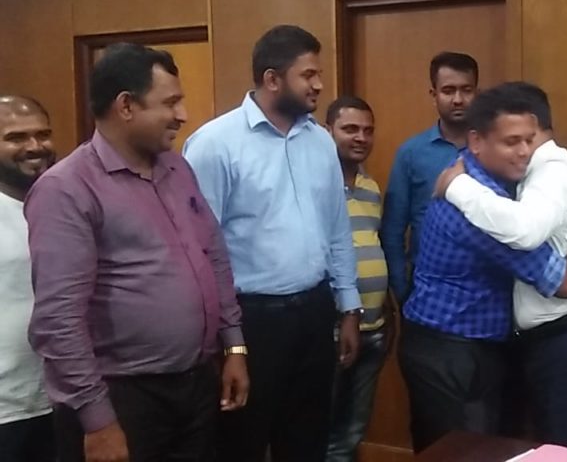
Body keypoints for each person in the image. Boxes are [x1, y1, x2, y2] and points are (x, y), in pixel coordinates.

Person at [27, 44, 248, 462]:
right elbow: (58, 320)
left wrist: (234, 346)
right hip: (121, 398)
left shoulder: (176, 168)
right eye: (170, 102)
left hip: (196, 385)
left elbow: (214, 255)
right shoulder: (67, 189)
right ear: (126, 106)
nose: (182, 114)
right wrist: (97, 420)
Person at [399, 85, 567, 452]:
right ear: (476, 141)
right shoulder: (474, 208)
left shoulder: (485, 185)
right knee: (457, 454)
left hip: (487, 346)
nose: (524, 152)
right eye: (511, 142)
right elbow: (559, 278)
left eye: (528, 140)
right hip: (450, 352)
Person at [184, 25, 360, 461]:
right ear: (272, 79)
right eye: (308, 75)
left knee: (307, 441)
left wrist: (348, 307)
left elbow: (337, 228)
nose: (318, 85)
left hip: (314, 311)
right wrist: (229, 341)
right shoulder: (214, 144)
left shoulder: (320, 141)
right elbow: (199, 249)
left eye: (318, 74)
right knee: (241, 442)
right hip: (252, 319)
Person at [380, 51, 479, 301]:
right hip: (426, 288)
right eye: (448, 91)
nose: (458, 99)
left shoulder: (495, 149)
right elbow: (393, 229)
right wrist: (401, 289)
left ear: (477, 93)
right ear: (433, 95)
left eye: (466, 90)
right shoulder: (411, 153)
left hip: (487, 287)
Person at [324, 96, 391, 462]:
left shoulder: (371, 186)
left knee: (352, 432)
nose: (361, 138)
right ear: (328, 131)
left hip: (375, 329)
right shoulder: (317, 187)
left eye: (368, 130)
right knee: (321, 429)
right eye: (350, 129)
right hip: (333, 331)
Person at [0, 96, 56, 462]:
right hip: (6, 412)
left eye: (43, 134)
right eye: (16, 138)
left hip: (60, 400)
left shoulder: (64, 204)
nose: (35, 146)